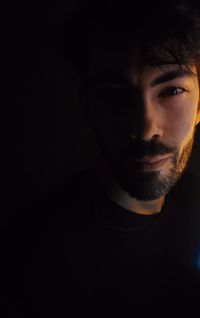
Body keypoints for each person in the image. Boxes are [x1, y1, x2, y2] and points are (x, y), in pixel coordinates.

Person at [7, 1, 200, 317]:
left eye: (171, 91)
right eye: (115, 95)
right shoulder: (30, 255)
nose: (145, 128)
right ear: (88, 107)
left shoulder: (195, 198)